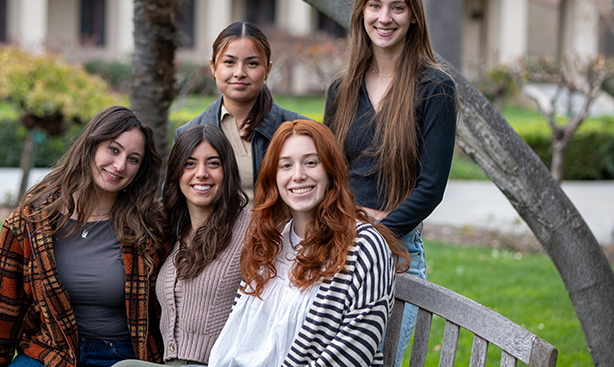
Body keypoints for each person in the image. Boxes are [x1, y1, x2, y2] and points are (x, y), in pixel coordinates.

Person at [323, 0, 458, 364]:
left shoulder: (435, 88)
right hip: (339, 246)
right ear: (361, 12)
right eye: (375, 5)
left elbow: (431, 186)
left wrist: (378, 233)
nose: (385, 18)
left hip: (397, 255)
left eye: (397, 8)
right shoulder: (341, 88)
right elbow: (327, 172)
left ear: (414, 15)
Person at [0, 106, 166, 367]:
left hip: (120, 357)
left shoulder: (151, 227)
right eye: (113, 149)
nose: (120, 165)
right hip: (51, 353)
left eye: (133, 159)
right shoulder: (30, 223)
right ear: (91, 146)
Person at [208, 120, 407, 367]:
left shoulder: (364, 247)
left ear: (330, 171)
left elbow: (353, 354)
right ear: (274, 177)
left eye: (311, 162)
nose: (298, 175)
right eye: (286, 165)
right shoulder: (273, 243)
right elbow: (238, 334)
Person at [115, 124, 251, 367]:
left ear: (227, 171)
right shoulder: (169, 231)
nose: (201, 173)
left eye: (213, 163)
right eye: (189, 164)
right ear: (176, 172)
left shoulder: (250, 229)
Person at [173, 21, 307, 198]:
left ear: (268, 70)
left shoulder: (301, 131)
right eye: (229, 62)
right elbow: (173, 201)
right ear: (213, 67)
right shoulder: (187, 133)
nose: (239, 73)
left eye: (252, 64)